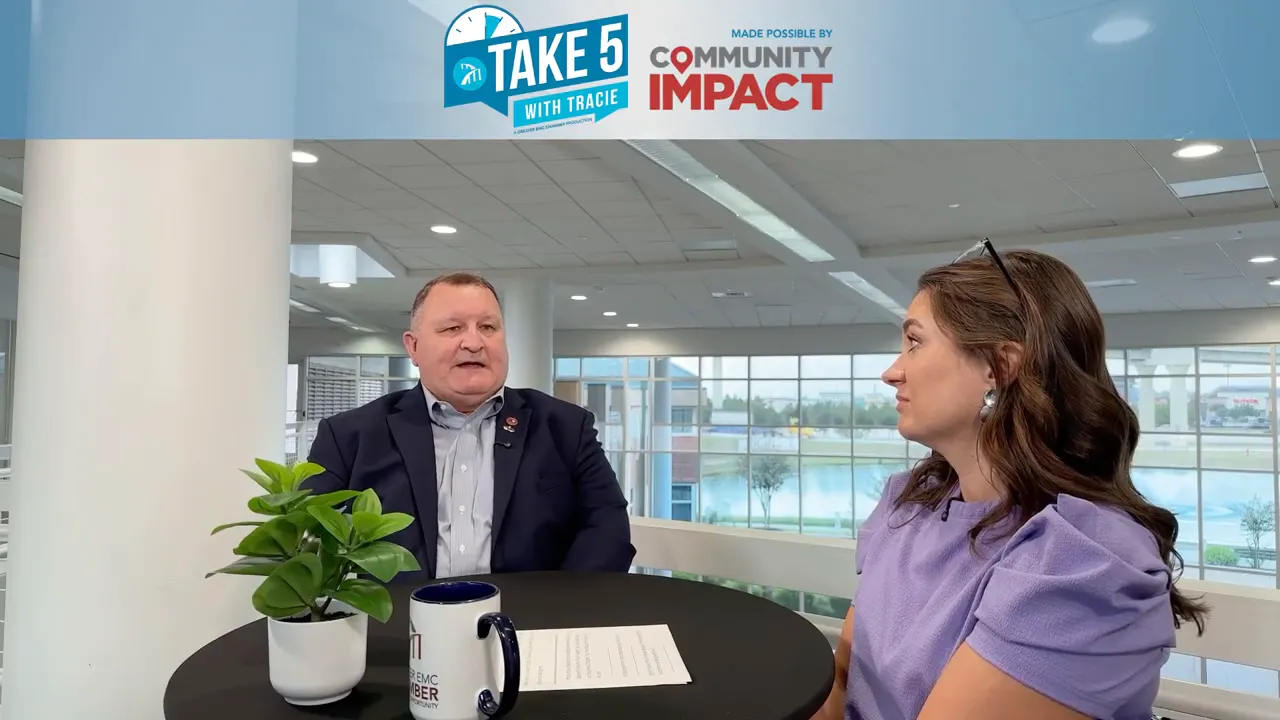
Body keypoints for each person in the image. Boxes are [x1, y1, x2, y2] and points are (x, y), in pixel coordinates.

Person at [813, 242, 1208, 720]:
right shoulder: (910, 503)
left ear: (999, 367)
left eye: (915, 342)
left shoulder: (1081, 563)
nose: (891, 373)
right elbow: (840, 689)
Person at [303, 272, 635, 579]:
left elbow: (608, 530)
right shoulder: (348, 437)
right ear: (413, 346)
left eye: (488, 327)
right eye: (453, 328)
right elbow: (305, 543)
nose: (474, 343)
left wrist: (558, 611)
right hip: (397, 621)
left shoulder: (566, 427)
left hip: (531, 619)